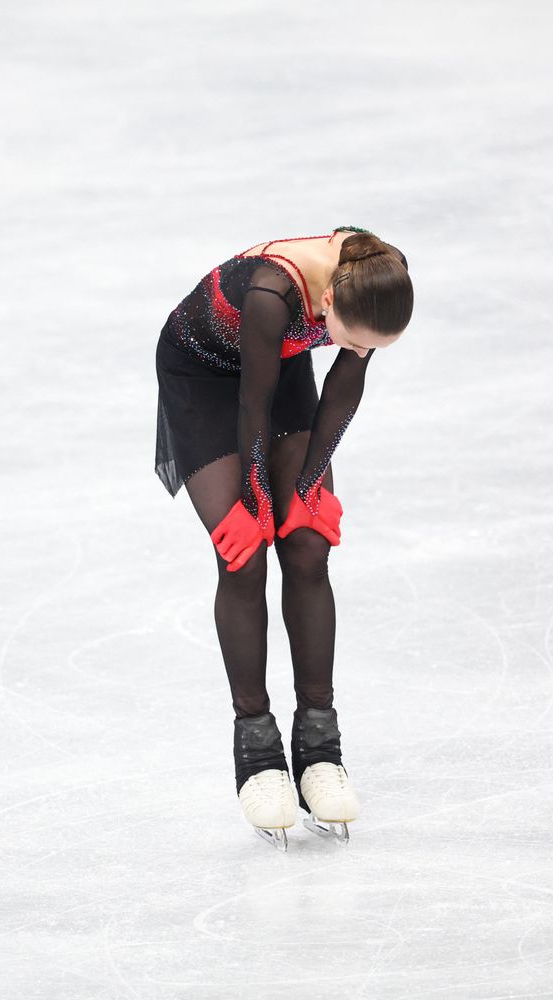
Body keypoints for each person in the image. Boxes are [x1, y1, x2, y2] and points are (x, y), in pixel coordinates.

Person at [153, 225, 413, 850]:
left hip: (276, 364)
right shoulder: (273, 293)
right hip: (208, 379)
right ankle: (258, 752)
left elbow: (344, 384)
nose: (353, 350)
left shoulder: (376, 282)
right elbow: (252, 408)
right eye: (346, 340)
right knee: (243, 556)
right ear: (327, 308)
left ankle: (320, 747)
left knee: (308, 546)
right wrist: (259, 502)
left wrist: (308, 489)